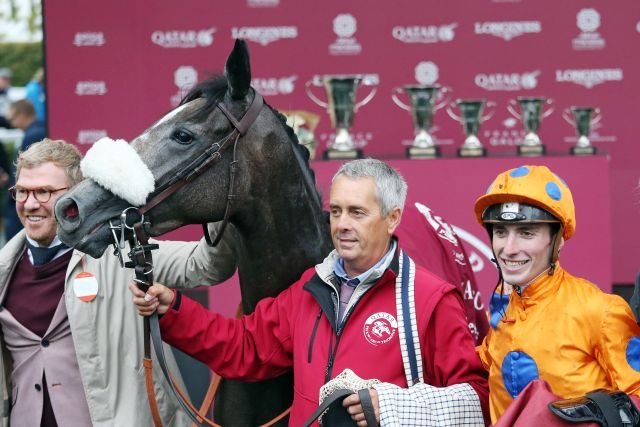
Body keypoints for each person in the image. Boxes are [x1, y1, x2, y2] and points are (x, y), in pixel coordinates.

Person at [133, 158, 489, 426]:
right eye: (335, 211)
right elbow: (245, 348)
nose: (343, 225)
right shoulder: (311, 286)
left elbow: (477, 399)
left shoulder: (430, 298)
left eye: (357, 213)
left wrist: (395, 408)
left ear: (392, 218)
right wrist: (173, 310)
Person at [0, 138, 238, 426]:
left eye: (44, 192)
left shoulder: (122, 254)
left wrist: (224, 196)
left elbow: (207, 265)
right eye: (22, 192)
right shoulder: (5, 269)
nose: (30, 204)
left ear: (76, 194)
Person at [474, 165, 640, 423]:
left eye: (526, 233)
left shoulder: (601, 311)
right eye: (500, 232)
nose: (509, 248)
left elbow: (637, 397)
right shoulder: (502, 299)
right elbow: (485, 365)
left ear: (558, 239)